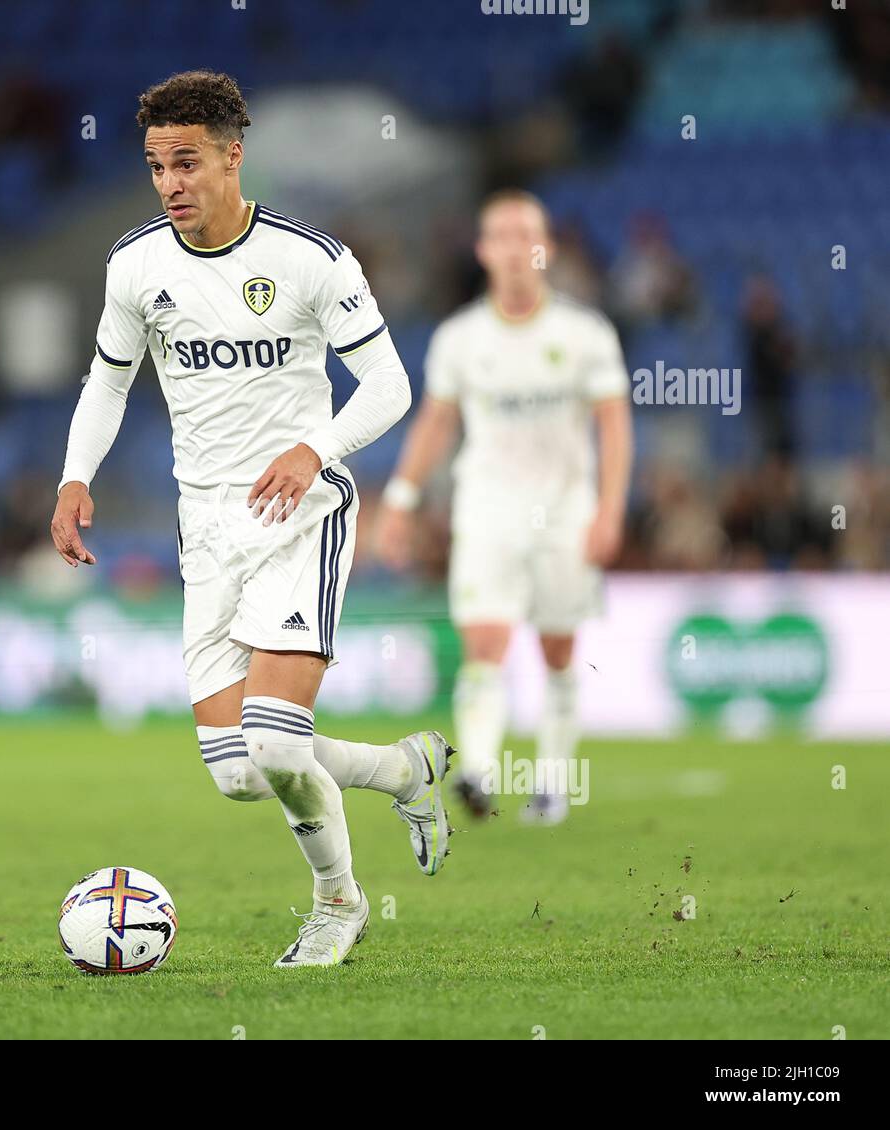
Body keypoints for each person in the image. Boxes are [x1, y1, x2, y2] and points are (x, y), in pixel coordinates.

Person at [50, 71, 454, 967]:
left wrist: (318, 449)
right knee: (238, 772)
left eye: (186, 163)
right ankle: (402, 771)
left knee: (276, 742)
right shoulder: (134, 266)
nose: (170, 185)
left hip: (301, 515)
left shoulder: (311, 258)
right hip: (208, 531)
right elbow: (109, 382)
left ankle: (338, 904)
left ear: (234, 156)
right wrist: (77, 477)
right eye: (157, 167)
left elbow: (389, 386)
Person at [376, 189, 632, 825]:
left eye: (528, 235)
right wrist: (402, 500)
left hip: (565, 511)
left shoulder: (584, 333)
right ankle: (481, 772)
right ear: (484, 250)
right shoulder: (461, 338)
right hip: (487, 506)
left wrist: (610, 510)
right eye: (503, 236)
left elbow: (615, 425)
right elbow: (436, 422)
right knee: (485, 641)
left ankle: (551, 782)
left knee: (558, 649)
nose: (517, 248)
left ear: (545, 248)